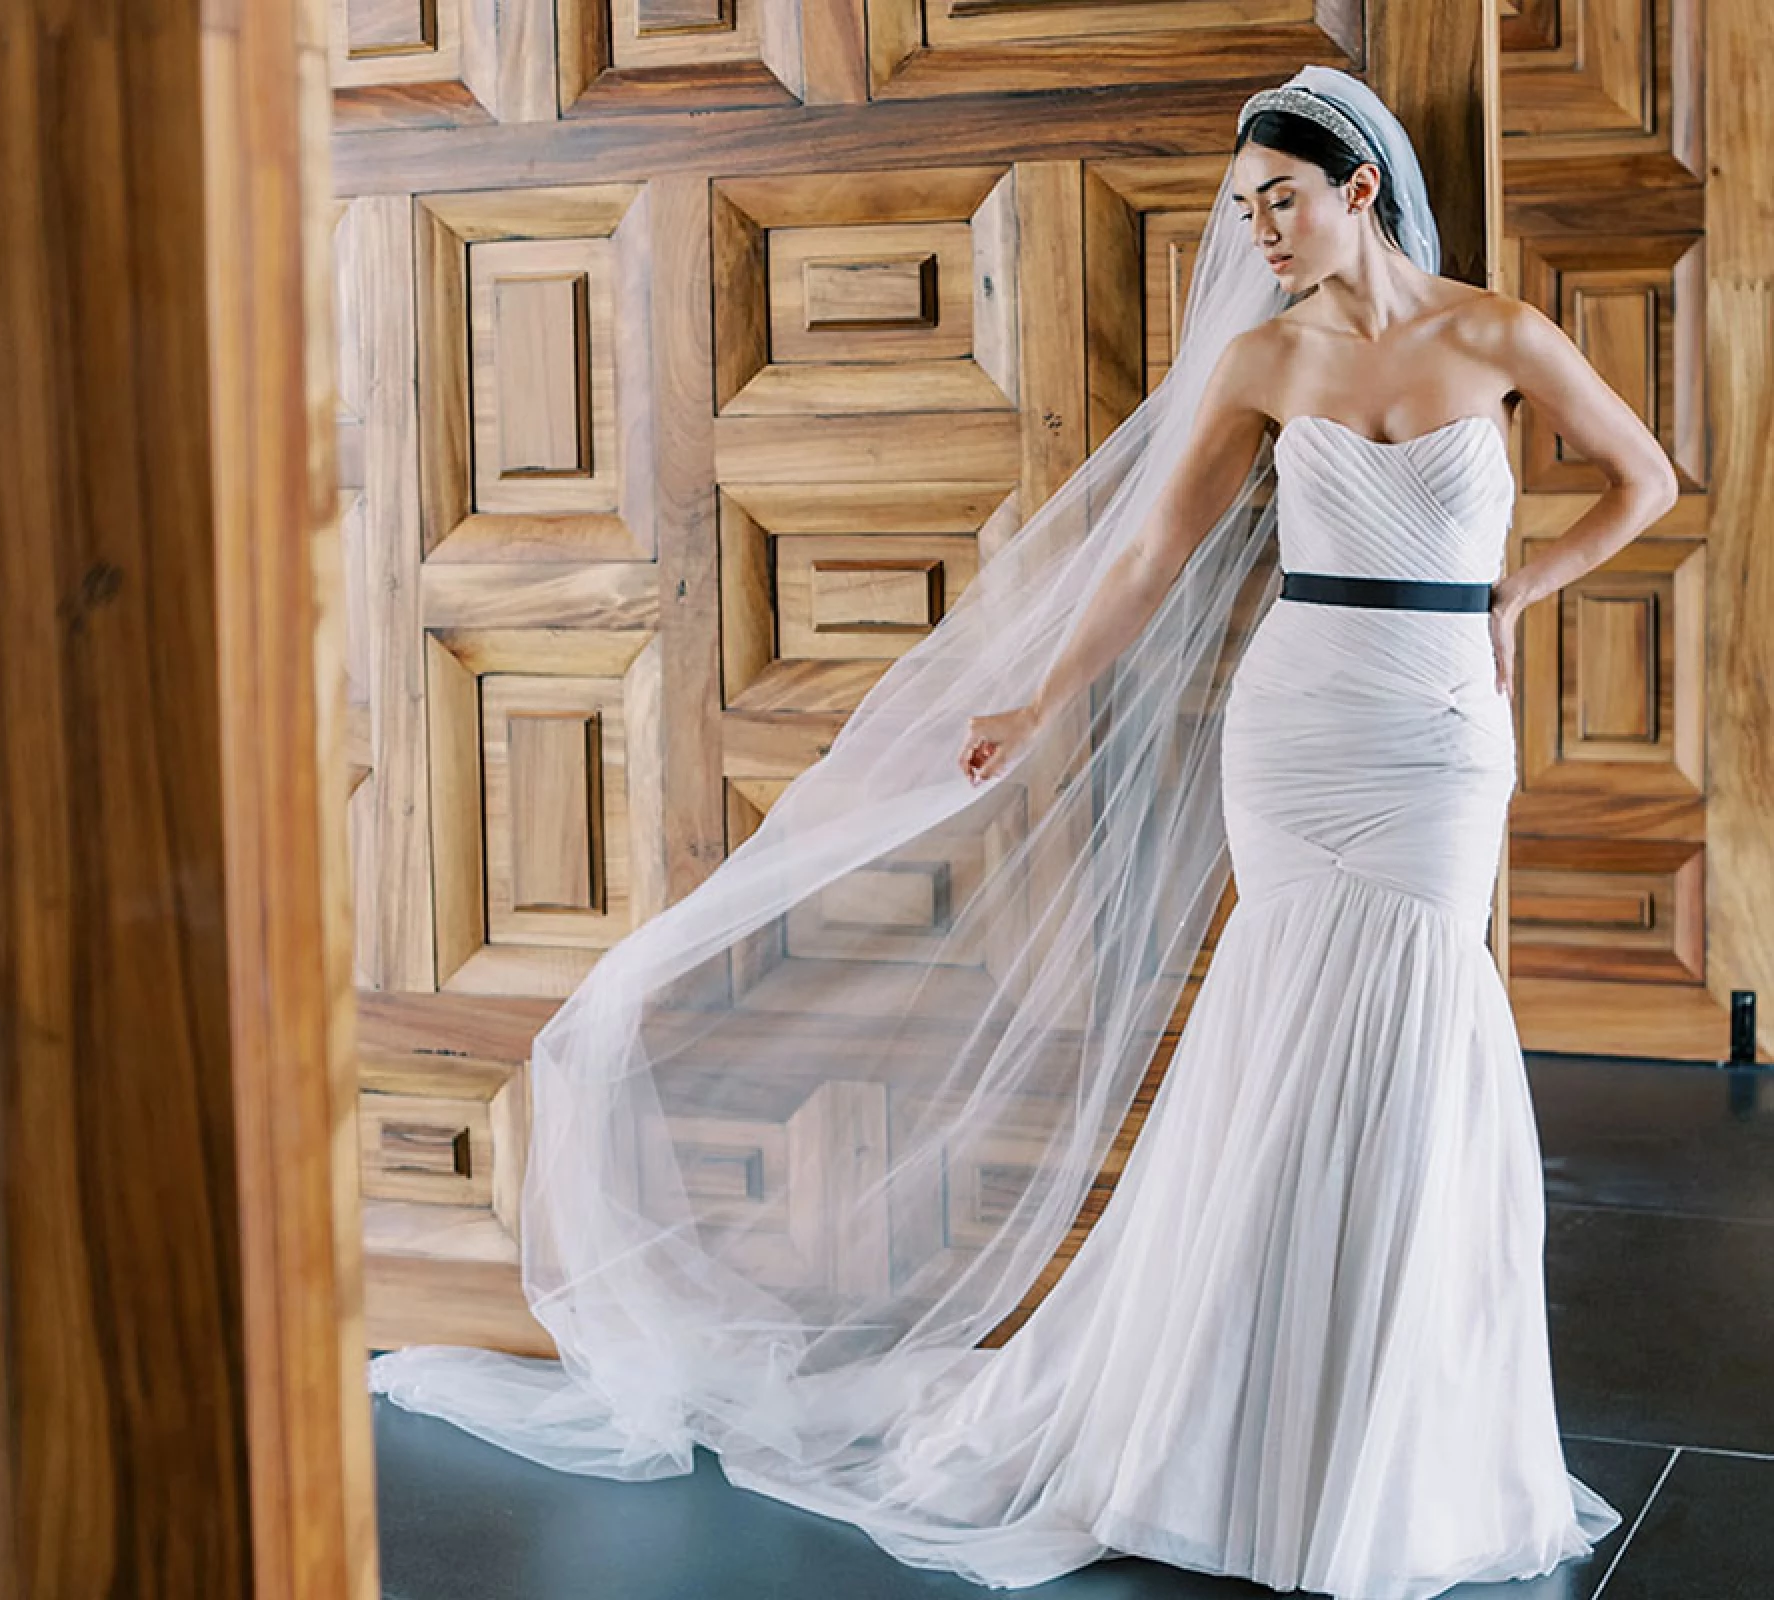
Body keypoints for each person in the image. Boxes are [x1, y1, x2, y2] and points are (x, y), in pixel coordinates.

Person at [372, 65, 1674, 1598]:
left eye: (1279, 196)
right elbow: (1142, 557)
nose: (1254, 227)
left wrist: (1512, 594)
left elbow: (1641, 481)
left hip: (1442, 730)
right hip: (1301, 725)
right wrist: (1038, 695)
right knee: (1279, 1037)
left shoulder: (1497, 333)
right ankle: (1234, 1435)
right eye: (1241, 204)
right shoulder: (1258, 363)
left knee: (1419, 1031)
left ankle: (1399, 1431)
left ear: (1358, 189)